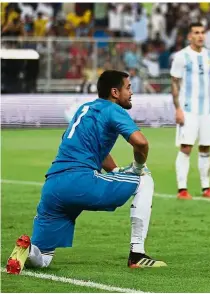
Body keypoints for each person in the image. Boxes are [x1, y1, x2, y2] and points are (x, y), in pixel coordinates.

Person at [6, 70, 166, 275]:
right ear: (115, 92)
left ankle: (26, 251)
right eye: (128, 88)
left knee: (43, 257)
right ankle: (137, 255)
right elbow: (141, 143)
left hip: (53, 186)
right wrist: (137, 168)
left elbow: (90, 147)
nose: (131, 92)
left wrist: (115, 171)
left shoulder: (84, 109)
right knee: (144, 180)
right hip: (80, 181)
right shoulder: (113, 109)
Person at [170, 22, 210, 200]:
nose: (200, 36)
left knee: (206, 147)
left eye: (202, 32)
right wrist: (177, 109)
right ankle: (182, 189)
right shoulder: (182, 56)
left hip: (207, 109)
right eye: (196, 33)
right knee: (186, 147)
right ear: (189, 36)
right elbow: (174, 83)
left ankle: (206, 187)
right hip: (188, 109)